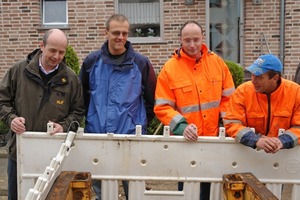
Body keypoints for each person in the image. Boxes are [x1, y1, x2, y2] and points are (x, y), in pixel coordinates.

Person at [0, 29, 85, 200]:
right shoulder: (18, 71)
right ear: (41, 46)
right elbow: (2, 101)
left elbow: (78, 111)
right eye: (53, 50)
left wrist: (64, 126)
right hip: (20, 153)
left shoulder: (71, 79)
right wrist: (11, 119)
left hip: (53, 155)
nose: (57, 56)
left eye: (61, 52)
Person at [154, 20, 235, 200]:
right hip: (185, 142)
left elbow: (230, 99)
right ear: (180, 40)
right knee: (187, 187)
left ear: (203, 38)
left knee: (211, 188)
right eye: (187, 40)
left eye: (196, 40)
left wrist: (228, 127)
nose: (192, 45)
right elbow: (162, 107)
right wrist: (182, 127)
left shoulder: (218, 64)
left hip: (213, 140)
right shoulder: (170, 69)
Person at [79, 14, 156, 200]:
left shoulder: (141, 63)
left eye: (124, 33)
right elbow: (82, 97)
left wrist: (137, 121)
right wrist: (93, 119)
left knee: (135, 189)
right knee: (101, 190)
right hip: (98, 136)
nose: (120, 37)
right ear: (106, 33)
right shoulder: (91, 62)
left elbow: (151, 100)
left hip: (131, 137)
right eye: (115, 33)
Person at [224, 54, 300, 153]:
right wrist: (256, 140)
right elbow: (232, 123)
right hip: (249, 155)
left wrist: (283, 141)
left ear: (275, 78)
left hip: (284, 157)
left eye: (259, 77)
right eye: (252, 74)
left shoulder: (295, 92)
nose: (253, 80)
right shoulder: (242, 91)